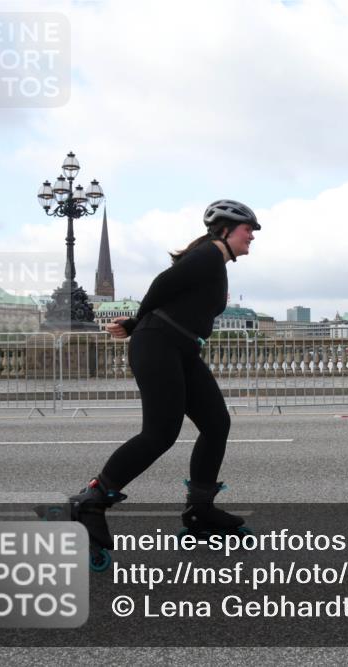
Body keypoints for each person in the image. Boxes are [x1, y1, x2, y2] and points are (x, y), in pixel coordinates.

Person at [68, 199, 259, 570]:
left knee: (217, 424)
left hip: (181, 349)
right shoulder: (208, 256)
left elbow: (174, 295)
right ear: (225, 230)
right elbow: (162, 284)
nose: (251, 235)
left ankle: (200, 512)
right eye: (247, 228)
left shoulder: (212, 260)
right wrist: (138, 322)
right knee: (160, 434)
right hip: (159, 345)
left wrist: (141, 321)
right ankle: (91, 501)